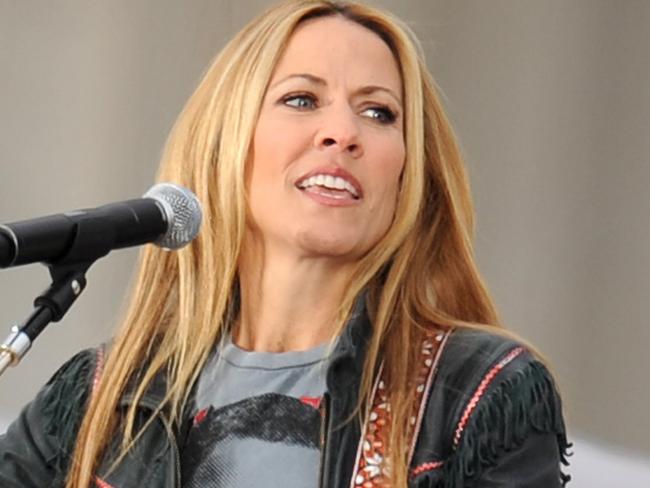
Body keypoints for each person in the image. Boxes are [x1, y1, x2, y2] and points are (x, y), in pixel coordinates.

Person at [0, 1, 571, 487]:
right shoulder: (102, 396)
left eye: (379, 112)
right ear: (226, 142)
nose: (342, 132)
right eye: (302, 99)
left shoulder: (477, 392)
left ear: (408, 172)